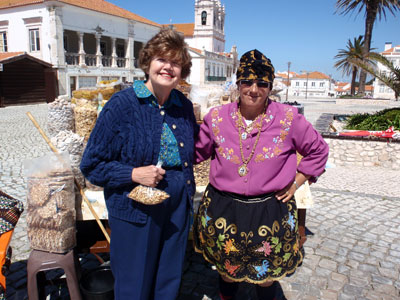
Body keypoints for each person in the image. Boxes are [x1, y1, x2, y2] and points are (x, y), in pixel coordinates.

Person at [193, 49, 329, 300]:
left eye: (262, 83)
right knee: (226, 270)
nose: (254, 89)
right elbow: (195, 152)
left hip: (269, 210)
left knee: (266, 276)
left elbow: (318, 150)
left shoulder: (289, 119)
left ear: (270, 86)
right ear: (238, 83)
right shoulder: (216, 118)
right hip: (224, 209)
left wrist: (296, 183)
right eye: (247, 82)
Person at [80, 28, 199, 300]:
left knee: (168, 279)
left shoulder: (183, 106)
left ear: (183, 70)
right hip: (135, 209)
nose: (168, 67)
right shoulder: (122, 105)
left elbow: (194, 150)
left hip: (176, 206)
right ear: (148, 62)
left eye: (176, 62)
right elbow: (91, 165)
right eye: (161, 59)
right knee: (135, 283)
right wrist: (133, 173)